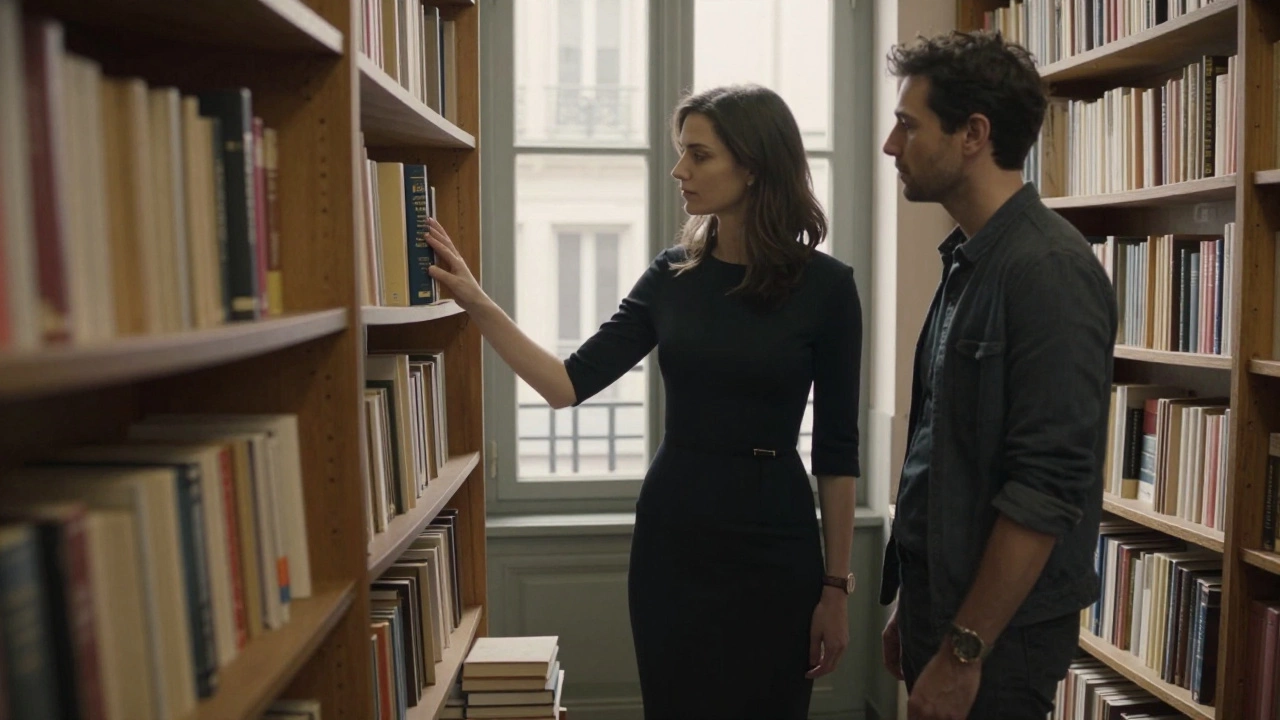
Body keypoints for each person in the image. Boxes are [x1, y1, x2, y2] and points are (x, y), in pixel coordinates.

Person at [423, 83, 863, 719]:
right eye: (681, 152)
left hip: (777, 540)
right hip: (674, 535)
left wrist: (836, 588)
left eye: (699, 155)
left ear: (754, 164)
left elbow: (838, 451)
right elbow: (565, 383)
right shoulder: (671, 276)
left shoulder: (828, 288)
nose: (680, 170)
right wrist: (476, 301)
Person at [877, 30, 1117, 720]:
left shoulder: (1048, 273)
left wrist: (962, 651)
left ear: (972, 134)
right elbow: (937, 448)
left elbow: (1043, 489)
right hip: (944, 610)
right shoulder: (969, 261)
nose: (894, 146)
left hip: (995, 641)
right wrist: (912, 603)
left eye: (907, 124)